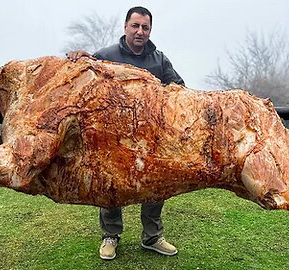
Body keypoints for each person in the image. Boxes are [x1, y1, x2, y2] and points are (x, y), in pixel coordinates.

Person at [67, 6, 184, 260]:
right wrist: (76, 59)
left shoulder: (159, 60)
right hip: (113, 137)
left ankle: (152, 236)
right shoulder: (106, 56)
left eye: (145, 27)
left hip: (151, 137)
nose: (140, 31)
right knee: (109, 184)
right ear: (125, 26)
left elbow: (179, 89)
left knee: (156, 184)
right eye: (135, 26)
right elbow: (79, 79)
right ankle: (110, 235)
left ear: (150, 30)